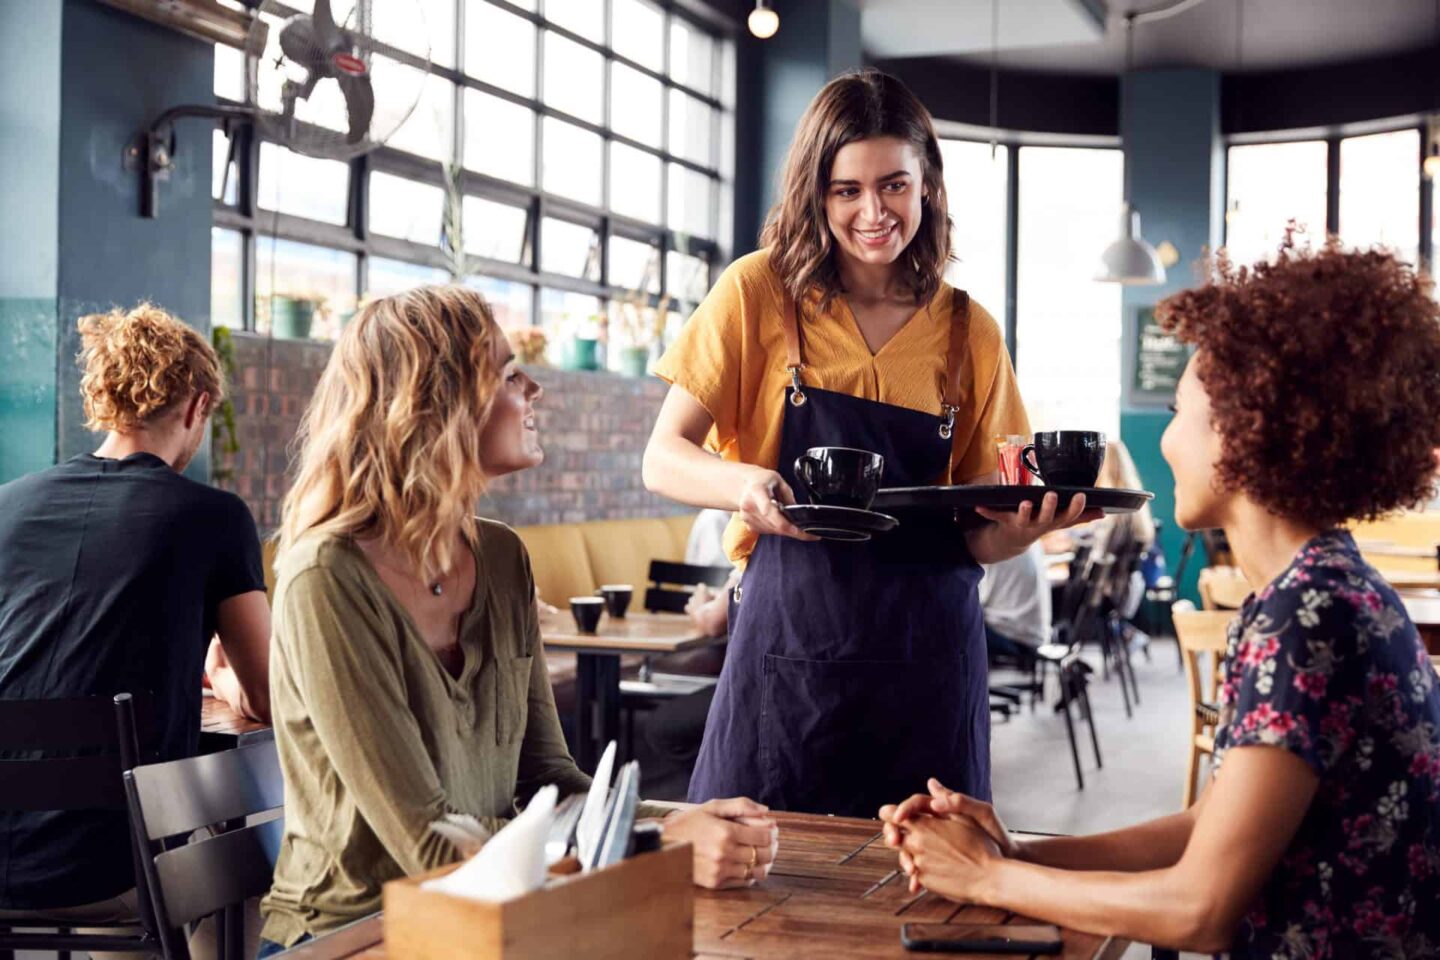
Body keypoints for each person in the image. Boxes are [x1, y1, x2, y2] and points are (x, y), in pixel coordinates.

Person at [880, 240, 1440, 957]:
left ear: (1244, 430)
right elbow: (1207, 828)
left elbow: (1197, 909)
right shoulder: (1323, 586)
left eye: (1179, 411)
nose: (1168, 441)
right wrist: (1017, 856)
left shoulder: (1309, 618)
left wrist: (989, 878)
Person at [258, 286, 779, 955]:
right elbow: (427, 847)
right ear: (435, 405)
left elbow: (551, 783)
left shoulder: (501, 558)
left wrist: (680, 819)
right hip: (352, 932)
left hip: (493, 911)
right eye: (507, 374)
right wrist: (660, 841)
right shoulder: (326, 579)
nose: (533, 388)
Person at [643, 69, 1093, 818]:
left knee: (927, 895)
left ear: (929, 187)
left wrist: (1021, 535)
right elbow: (663, 456)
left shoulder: (967, 331)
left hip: (930, 667)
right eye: (846, 190)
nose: (873, 211)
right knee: (757, 895)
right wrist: (743, 485)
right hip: (788, 654)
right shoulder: (758, 295)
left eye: (894, 185)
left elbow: (972, 537)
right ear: (814, 193)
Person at [0, 304, 271, 946]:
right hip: (111, 872)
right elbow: (267, 697)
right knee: (260, 851)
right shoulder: (212, 517)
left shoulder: (8, 506)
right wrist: (216, 674)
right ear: (197, 407)